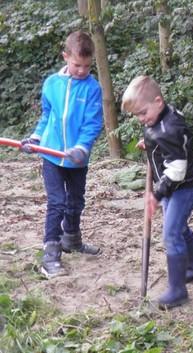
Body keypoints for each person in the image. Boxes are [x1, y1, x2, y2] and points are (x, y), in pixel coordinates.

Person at [20, 30, 103, 279]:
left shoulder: (92, 88)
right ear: (65, 57)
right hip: (52, 156)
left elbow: (92, 123)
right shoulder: (51, 84)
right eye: (77, 64)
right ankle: (51, 254)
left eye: (87, 66)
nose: (81, 70)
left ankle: (72, 240)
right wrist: (35, 138)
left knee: (76, 201)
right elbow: (47, 116)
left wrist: (82, 147)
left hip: (77, 159)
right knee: (57, 202)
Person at [121, 75, 193, 309]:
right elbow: (163, 137)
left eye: (142, 113)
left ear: (158, 101)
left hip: (184, 187)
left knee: (170, 234)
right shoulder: (163, 118)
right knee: (178, 227)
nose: (141, 119)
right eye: (137, 115)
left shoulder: (168, 129)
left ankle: (178, 291)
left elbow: (177, 171)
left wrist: (156, 194)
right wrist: (150, 143)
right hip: (175, 186)